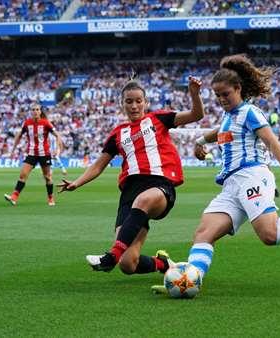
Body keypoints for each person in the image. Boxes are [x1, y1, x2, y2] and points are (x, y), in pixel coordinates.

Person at [152, 54, 280, 294]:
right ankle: (187, 283)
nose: (222, 100)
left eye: (226, 94)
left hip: (252, 177)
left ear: (238, 89)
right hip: (230, 185)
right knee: (203, 234)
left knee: (271, 235)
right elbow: (220, 131)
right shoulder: (230, 116)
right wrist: (199, 140)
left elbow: (272, 141)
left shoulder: (250, 112)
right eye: (217, 96)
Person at [58, 76, 204, 276]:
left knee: (144, 200)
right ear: (122, 104)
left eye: (138, 101)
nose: (134, 105)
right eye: (129, 101)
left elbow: (196, 114)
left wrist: (194, 94)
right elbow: (98, 165)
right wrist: (77, 183)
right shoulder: (117, 134)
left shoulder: (159, 119)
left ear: (146, 103)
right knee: (128, 263)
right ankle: (165, 265)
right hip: (129, 193)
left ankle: (110, 257)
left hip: (158, 185)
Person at [4, 105, 64, 206]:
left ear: (40, 111)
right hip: (31, 153)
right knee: (23, 175)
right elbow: (19, 135)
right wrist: (13, 150)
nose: (35, 111)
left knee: (47, 177)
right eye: (33, 110)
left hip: (44, 153)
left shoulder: (45, 123)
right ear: (31, 112)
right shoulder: (27, 123)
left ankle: (50, 198)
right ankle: (14, 197)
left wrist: (58, 150)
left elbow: (57, 135)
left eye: (37, 109)